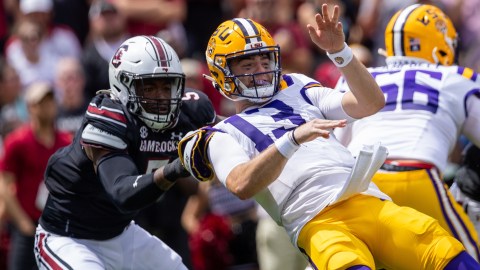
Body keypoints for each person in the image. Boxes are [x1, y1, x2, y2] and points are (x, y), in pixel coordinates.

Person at [177, 4, 480, 269]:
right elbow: (242, 184)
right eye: (248, 64)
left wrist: (341, 53)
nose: (261, 71)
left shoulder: (297, 87)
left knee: (444, 250)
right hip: (317, 221)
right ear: (221, 73)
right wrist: (291, 139)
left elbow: (370, 103)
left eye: (265, 61)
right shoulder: (222, 133)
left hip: (366, 198)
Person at [33, 36, 218, 269]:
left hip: (121, 233)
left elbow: (235, 134)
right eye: (149, 87)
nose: (161, 97)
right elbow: (123, 193)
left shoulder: (190, 109)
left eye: (167, 85)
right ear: (122, 85)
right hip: (70, 237)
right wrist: (178, 167)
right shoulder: (109, 116)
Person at [333, 3, 480, 260]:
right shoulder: (458, 77)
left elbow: (336, 147)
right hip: (414, 174)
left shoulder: (356, 77)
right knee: (467, 259)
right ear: (440, 44)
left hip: (359, 183)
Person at [0, 82, 72, 270]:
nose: (47, 107)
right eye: (41, 102)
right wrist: (22, 223)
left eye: (50, 101)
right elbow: (4, 186)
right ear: (30, 107)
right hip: (27, 227)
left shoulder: (66, 141)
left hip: (57, 226)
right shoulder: (17, 142)